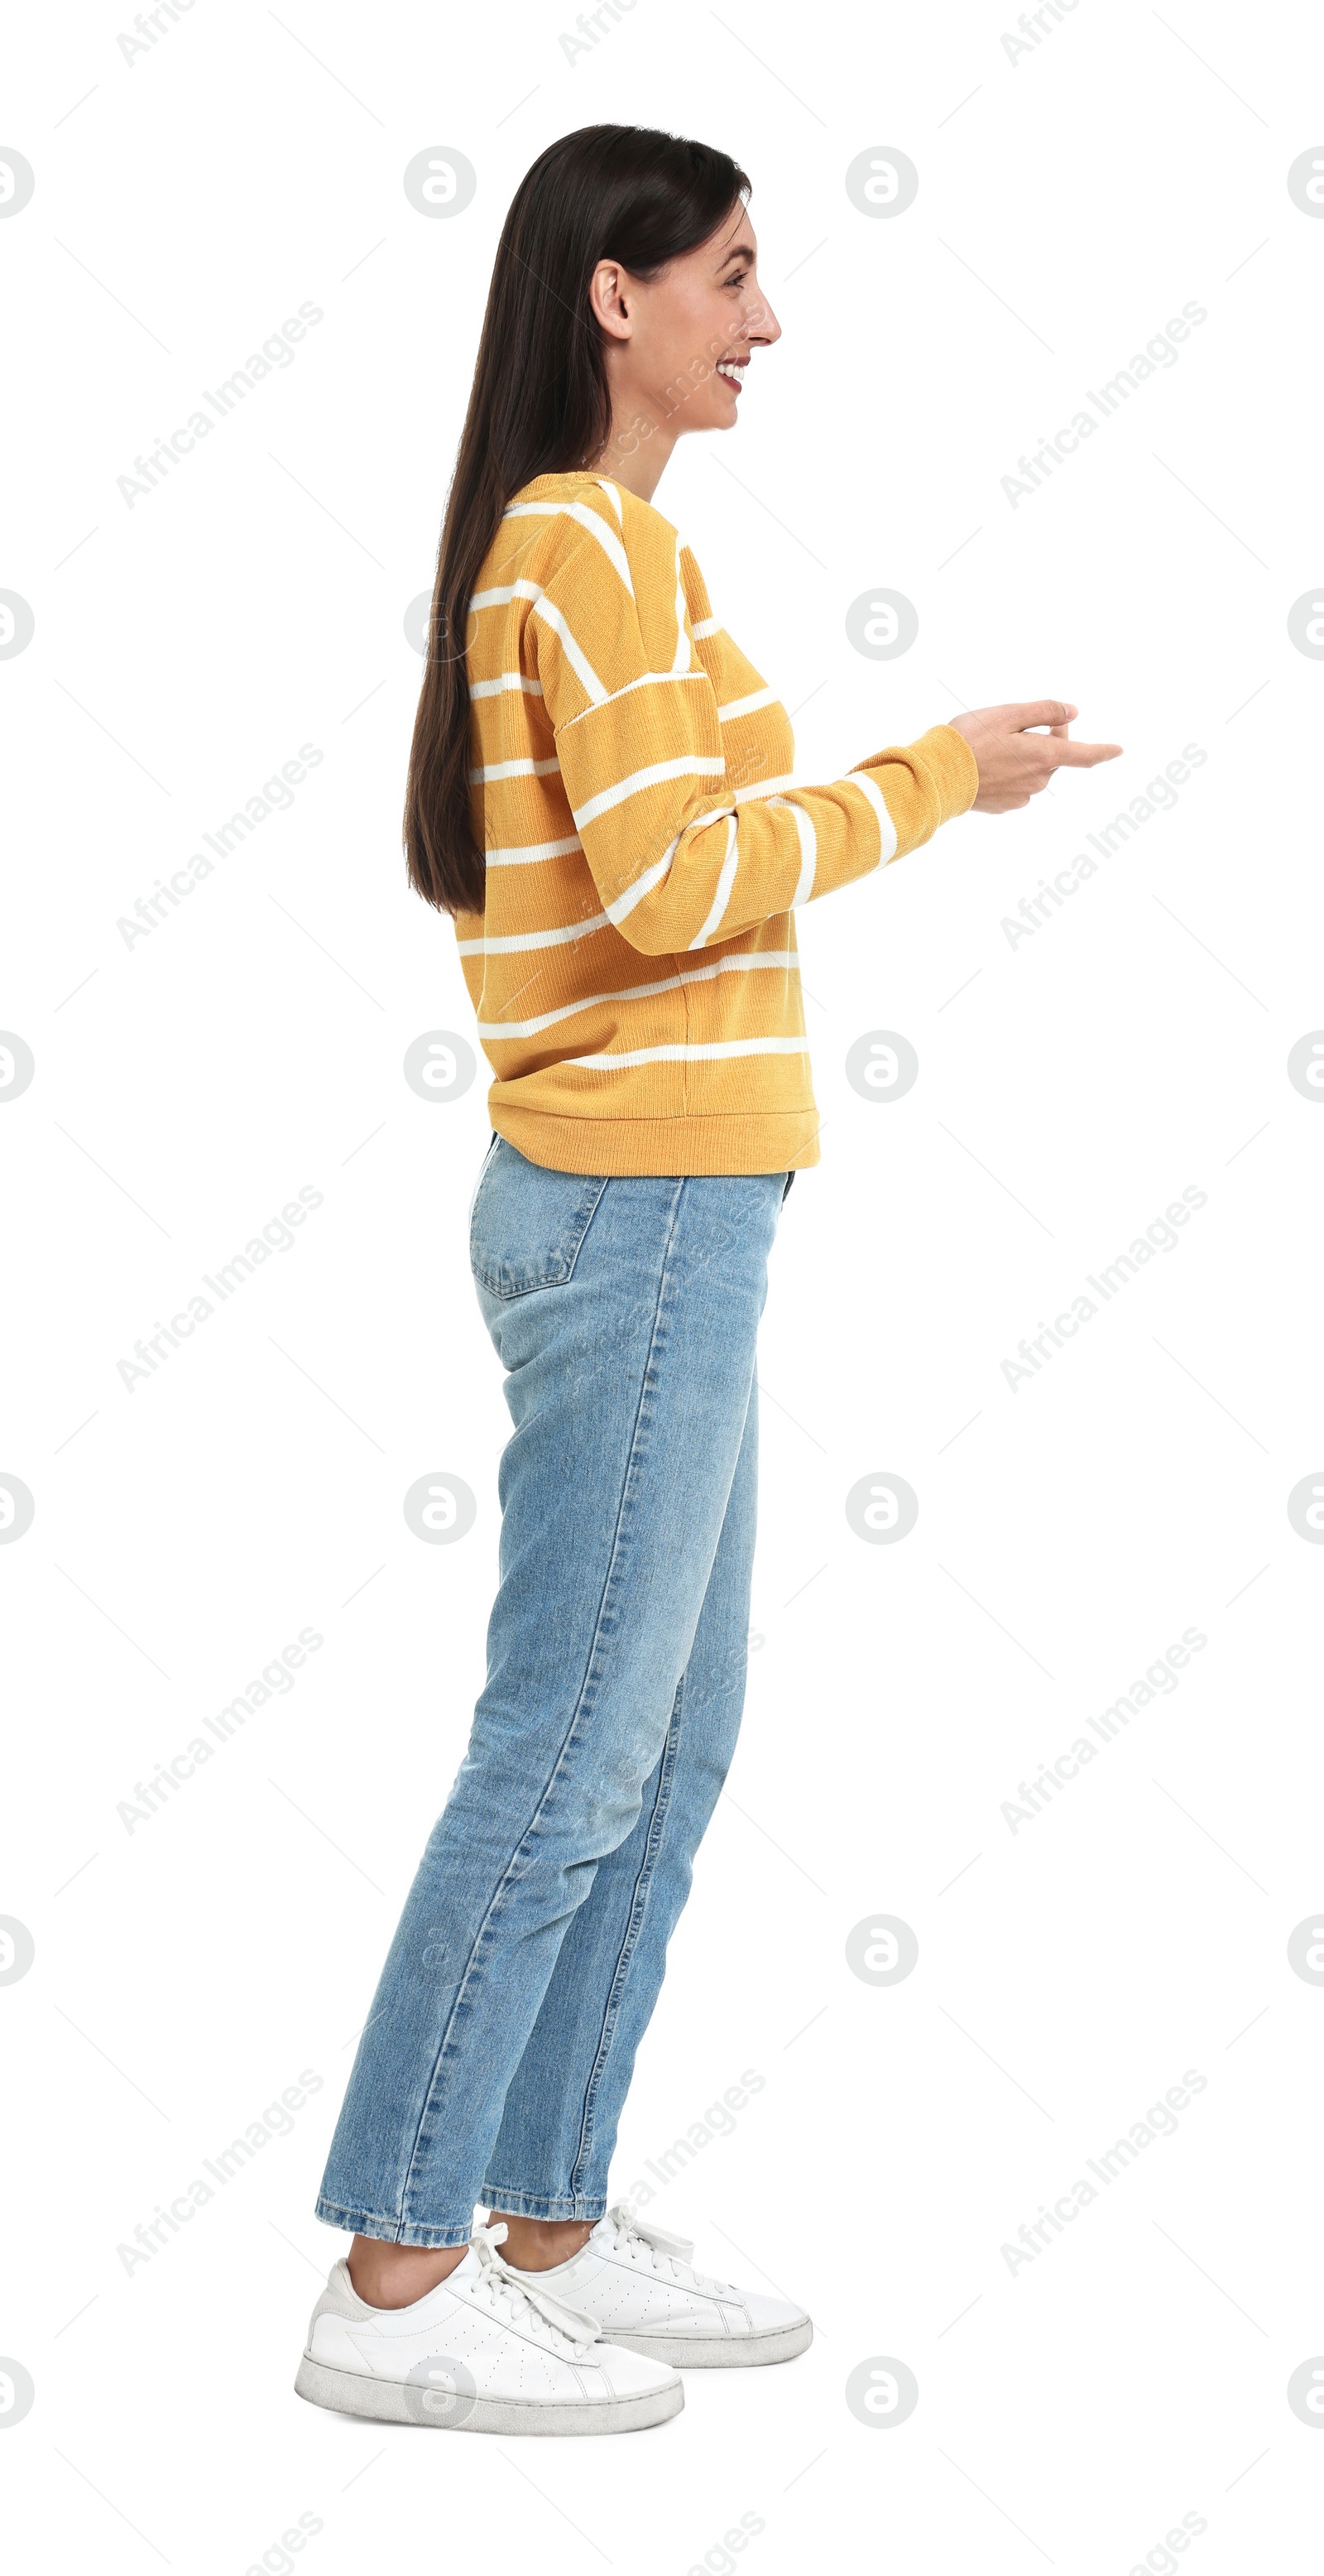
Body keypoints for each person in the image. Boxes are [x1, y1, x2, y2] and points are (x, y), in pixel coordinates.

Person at [296, 123, 1121, 2436]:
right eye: (737, 274)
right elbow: (673, 887)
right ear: (616, 299)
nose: (770, 320)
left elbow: (670, 858)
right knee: (569, 1745)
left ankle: (541, 2212)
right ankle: (393, 2271)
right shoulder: (587, 551)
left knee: (667, 1743)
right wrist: (936, 777)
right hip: (639, 1207)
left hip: (685, 1205)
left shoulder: (608, 552)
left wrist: (911, 774)